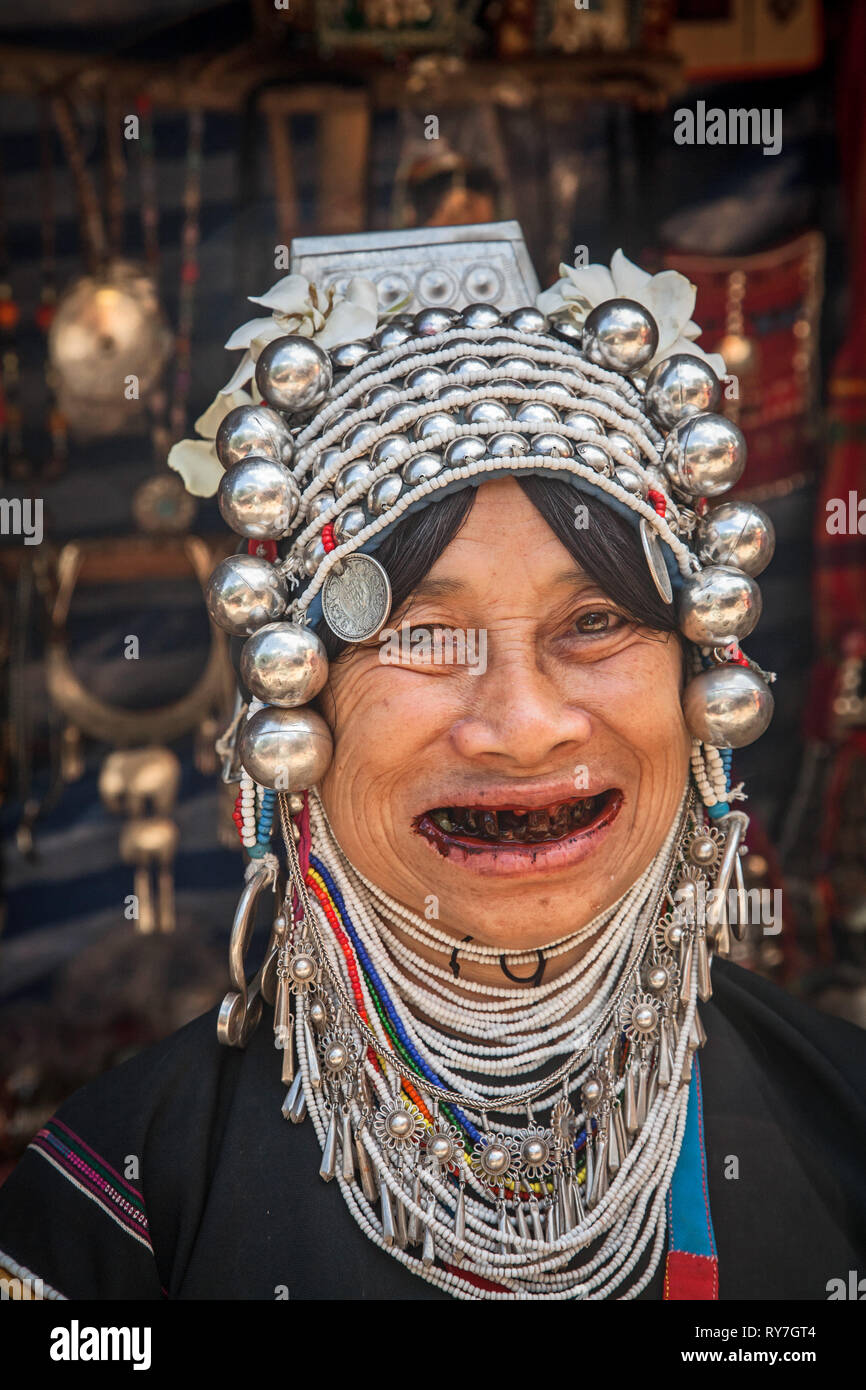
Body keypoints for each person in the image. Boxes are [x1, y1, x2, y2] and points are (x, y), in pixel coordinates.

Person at [0, 231, 864, 1302]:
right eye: (419, 634)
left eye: (595, 620)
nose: (521, 725)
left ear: (701, 680)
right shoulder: (123, 1208)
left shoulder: (840, 1127)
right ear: (295, 706)